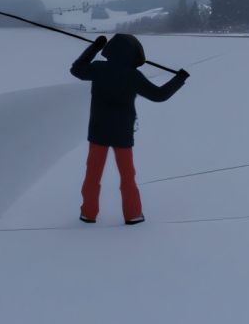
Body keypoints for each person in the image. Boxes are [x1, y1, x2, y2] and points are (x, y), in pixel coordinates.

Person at [70, 33, 189, 225]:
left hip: (98, 130)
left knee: (92, 174)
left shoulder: (99, 68)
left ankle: (88, 213)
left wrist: (95, 46)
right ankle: (133, 214)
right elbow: (159, 95)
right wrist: (179, 79)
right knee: (127, 176)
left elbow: (76, 69)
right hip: (122, 133)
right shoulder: (133, 75)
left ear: (110, 50)